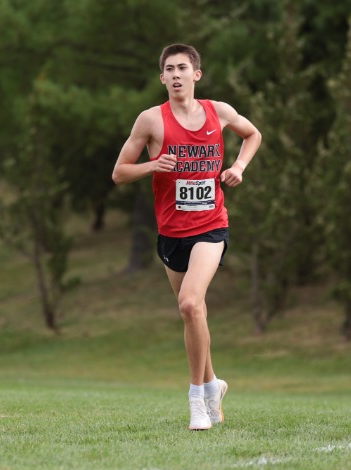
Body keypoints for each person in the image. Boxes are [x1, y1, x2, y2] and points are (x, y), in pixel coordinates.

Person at [112, 44, 261, 430]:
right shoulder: (150, 121)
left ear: (196, 74)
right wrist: (152, 165)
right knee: (195, 313)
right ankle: (213, 385)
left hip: (211, 226)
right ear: (161, 78)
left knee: (191, 305)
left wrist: (239, 167)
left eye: (183, 68)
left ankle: (197, 398)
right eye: (169, 69)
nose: (176, 74)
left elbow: (253, 134)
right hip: (171, 233)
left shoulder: (219, 112)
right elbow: (119, 172)